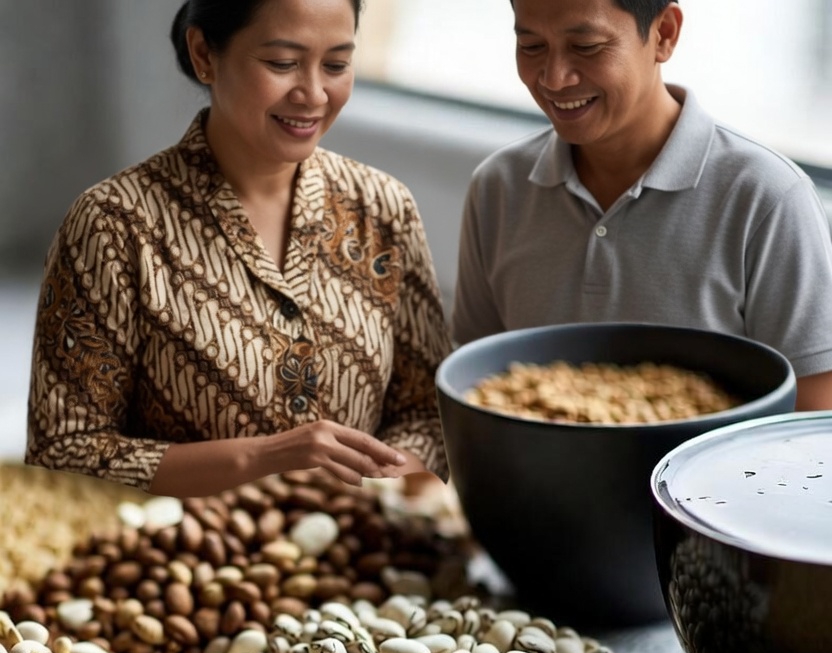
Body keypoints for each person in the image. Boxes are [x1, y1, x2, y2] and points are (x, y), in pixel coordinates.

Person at [26, 0, 451, 496]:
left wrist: (376, 487)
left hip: (359, 555)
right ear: (205, 53)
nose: (314, 93)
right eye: (282, 63)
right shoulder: (112, 225)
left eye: (336, 65)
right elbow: (63, 452)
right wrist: (265, 459)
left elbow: (428, 412)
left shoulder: (384, 208)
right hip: (179, 563)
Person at [452, 0, 832, 411]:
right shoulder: (499, 188)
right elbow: (475, 387)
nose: (554, 78)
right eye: (531, 47)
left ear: (664, 34)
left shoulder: (767, 198)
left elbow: (814, 423)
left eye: (587, 46)